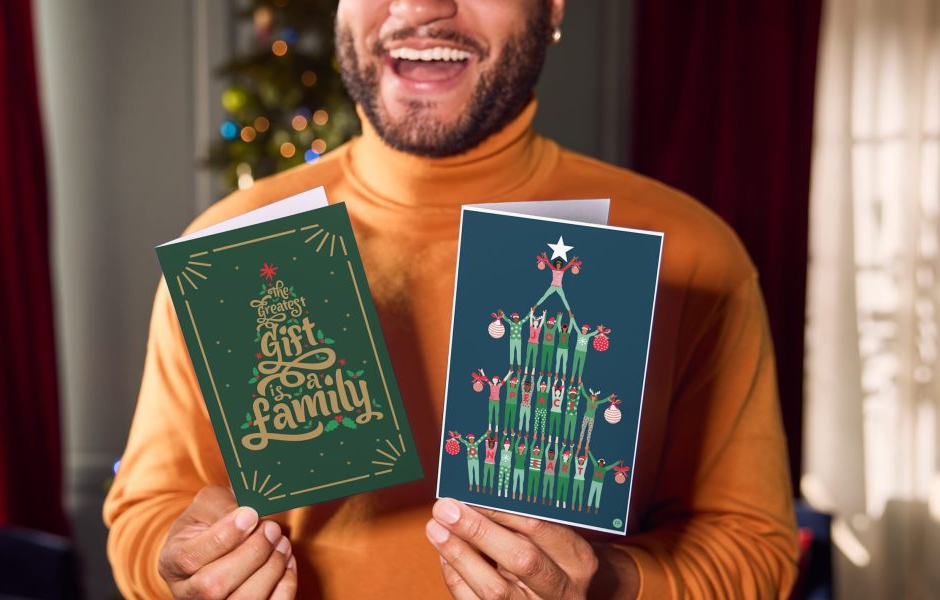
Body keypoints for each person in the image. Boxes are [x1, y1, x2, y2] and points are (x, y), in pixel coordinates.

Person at [103, 0, 798, 597]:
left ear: (553, 8)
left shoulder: (693, 252)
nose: (423, 7)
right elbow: (144, 513)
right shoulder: (230, 246)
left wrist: (614, 583)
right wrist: (184, 565)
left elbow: (756, 552)